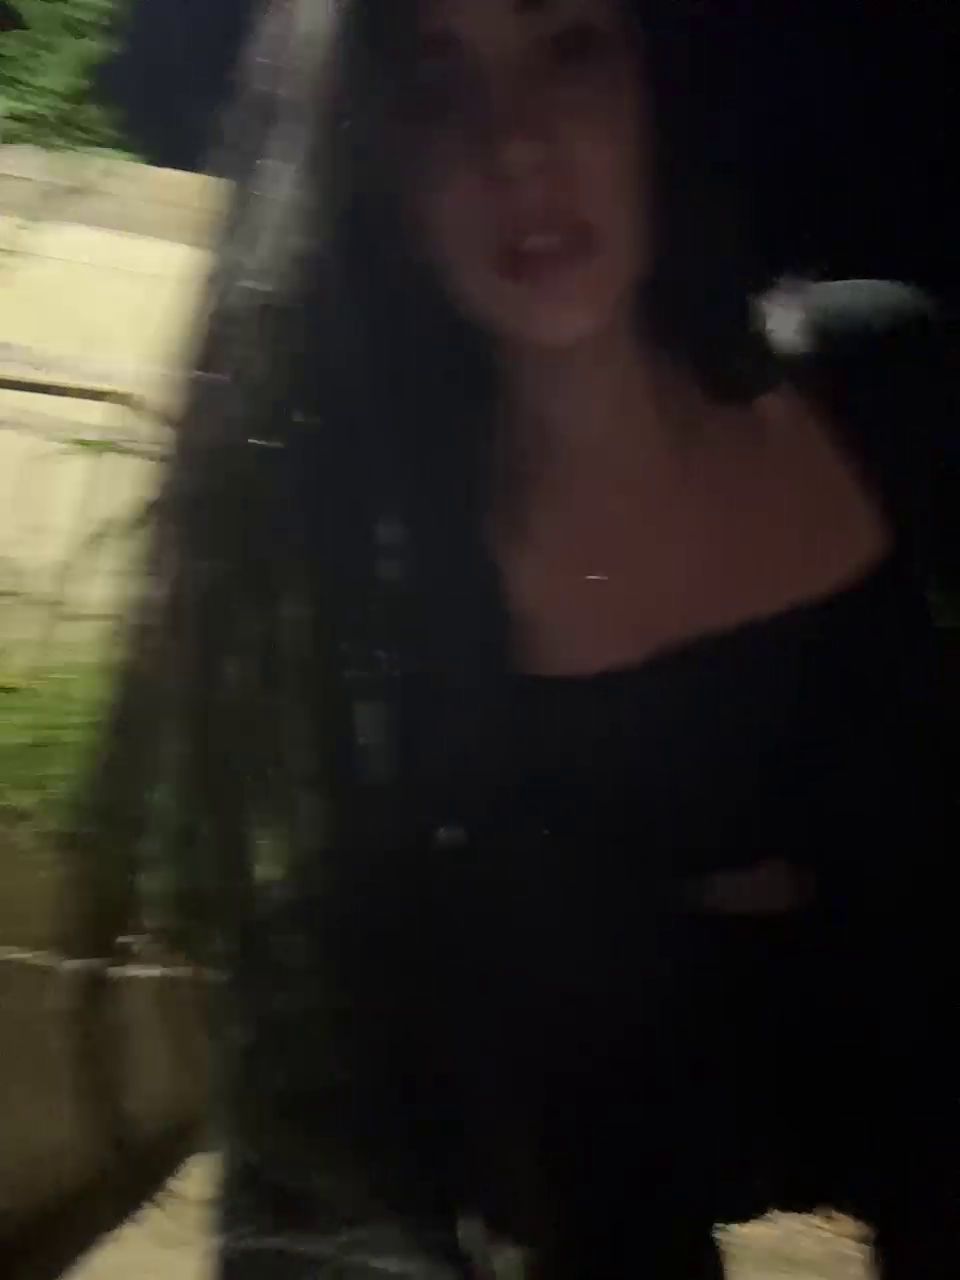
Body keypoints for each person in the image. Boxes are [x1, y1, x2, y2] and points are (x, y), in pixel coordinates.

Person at [107, 1, 956, 1276]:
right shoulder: (386, 603)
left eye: (569, 47)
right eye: (435, 82)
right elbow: (341, 1113)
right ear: (370, 153)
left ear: (659, 81)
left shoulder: (878, 384)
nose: (517, 147)